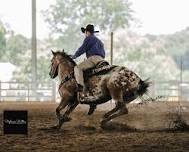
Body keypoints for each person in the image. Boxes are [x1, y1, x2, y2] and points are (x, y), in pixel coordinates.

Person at [72, 24, 106, 92]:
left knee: (77, 68)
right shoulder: (99, 41)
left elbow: (82, 49)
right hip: (102, 60)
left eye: (85, 32)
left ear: (87, 32)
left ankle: (80, 86)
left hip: (93, 59)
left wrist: (74, 56)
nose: (85, 34)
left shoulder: (89, 38)